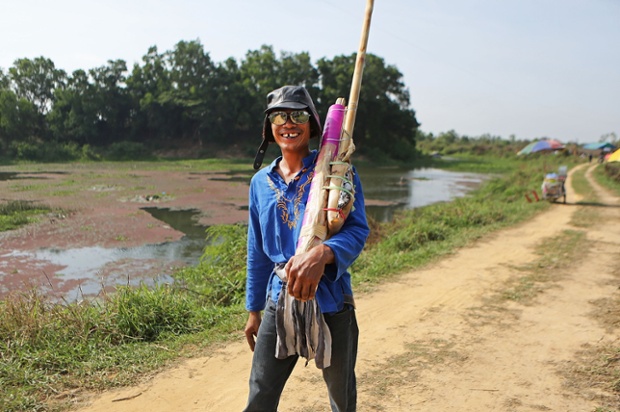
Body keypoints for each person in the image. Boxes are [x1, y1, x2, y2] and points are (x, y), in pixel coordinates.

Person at [243, 85, 370, 412]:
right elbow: (257, 249)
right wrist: (254, 309)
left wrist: (323, 254)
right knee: (260, 395)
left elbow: (357, 229)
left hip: (330, 299)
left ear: (312, 124)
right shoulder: (260, 182)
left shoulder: (336, 169)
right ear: (269, 128)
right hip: (277, 298)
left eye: (297, 115)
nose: (288, 122)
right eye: (279, 116)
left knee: (342, 398)